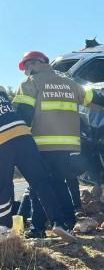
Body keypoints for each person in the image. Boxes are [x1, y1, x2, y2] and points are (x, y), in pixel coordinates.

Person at [12, 51, 104, 238]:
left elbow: (22, 116)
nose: (25, 72)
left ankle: (38, 229)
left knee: (38, 186)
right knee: (59, 183)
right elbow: (101, 101)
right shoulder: (70, 84)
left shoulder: (30, 84)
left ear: (34, 64)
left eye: (26, 67)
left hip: (40, 145)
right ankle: (68, 223)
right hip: (67, 146)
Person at [0, 86, 75, 242]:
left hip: (2, 140)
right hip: (23, 135)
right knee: (41, 182)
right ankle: (59, 223)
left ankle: (4, 229)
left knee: (4, 186)